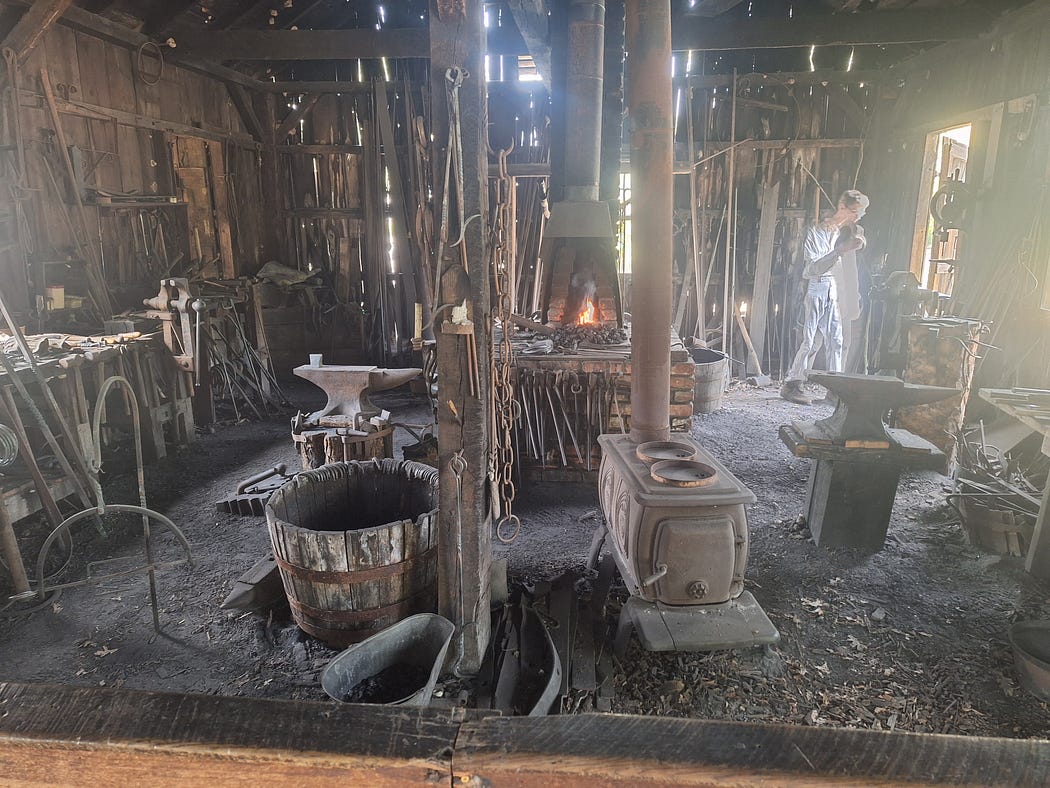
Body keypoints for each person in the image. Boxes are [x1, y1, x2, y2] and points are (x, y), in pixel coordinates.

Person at [780, 189, 869, 405]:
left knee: (836, 340)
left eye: (861, 214)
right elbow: (811, 270)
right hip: (817, 287)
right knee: (811, 340)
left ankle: (835, 389)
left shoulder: (849, 230)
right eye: (854, 212)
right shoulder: (816, 233)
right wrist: (838, 251)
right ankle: (792, 384)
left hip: (836, 289)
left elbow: (859, 242)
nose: (857, 218)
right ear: (841, 208)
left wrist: (854, 241)